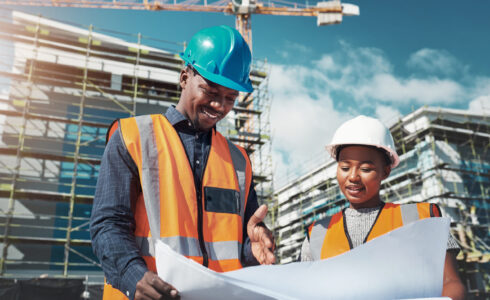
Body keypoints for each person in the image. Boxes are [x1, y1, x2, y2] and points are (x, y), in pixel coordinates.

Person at [90, 25, 275, 300]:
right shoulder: (132, 138)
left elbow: (239, 243)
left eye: (230, 98)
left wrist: (253, 248)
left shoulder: (239, 161)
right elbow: (108, 225)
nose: (220, 106)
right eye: (210, 91)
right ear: (184, 77)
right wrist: (133, 276)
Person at [300, 115, 466, 300]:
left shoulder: (422, 218)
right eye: (345, 168)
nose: (353, 177)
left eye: (365, 169)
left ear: (385, 171)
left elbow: (450, 283)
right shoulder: (317, 234)